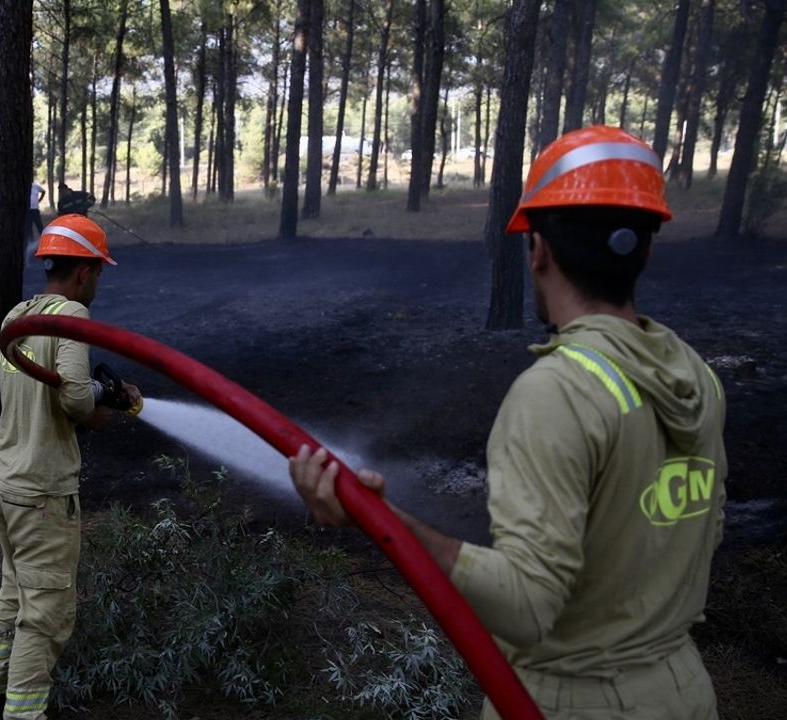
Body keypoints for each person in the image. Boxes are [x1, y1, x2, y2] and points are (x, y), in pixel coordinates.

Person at [288, 126, 726, 720]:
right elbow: (698, 532)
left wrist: (383, 520)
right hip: (683, 689)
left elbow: (526, 607)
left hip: (578, 702)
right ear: (645, 252)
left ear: (537, 249)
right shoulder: (695, 376)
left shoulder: (559, 392)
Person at [0, 213, 141, 720]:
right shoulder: (71, 315)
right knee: (45, 614)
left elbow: (39, 387)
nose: (98, 284)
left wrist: (95, 395)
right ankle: (23, 714)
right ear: (85, 272)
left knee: (15, 589)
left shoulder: (17, 316)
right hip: (40, 490)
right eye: (99, 273)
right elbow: (72, 398)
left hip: (3, 476)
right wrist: (97, 405)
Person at [25, 180, 46, 248]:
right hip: (28, 210)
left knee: (39, 225)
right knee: (29, 227)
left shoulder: (36, 186)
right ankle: (31, 241)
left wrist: (39, 200)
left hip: (35, 209)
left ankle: (44, 240)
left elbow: (43, 191)